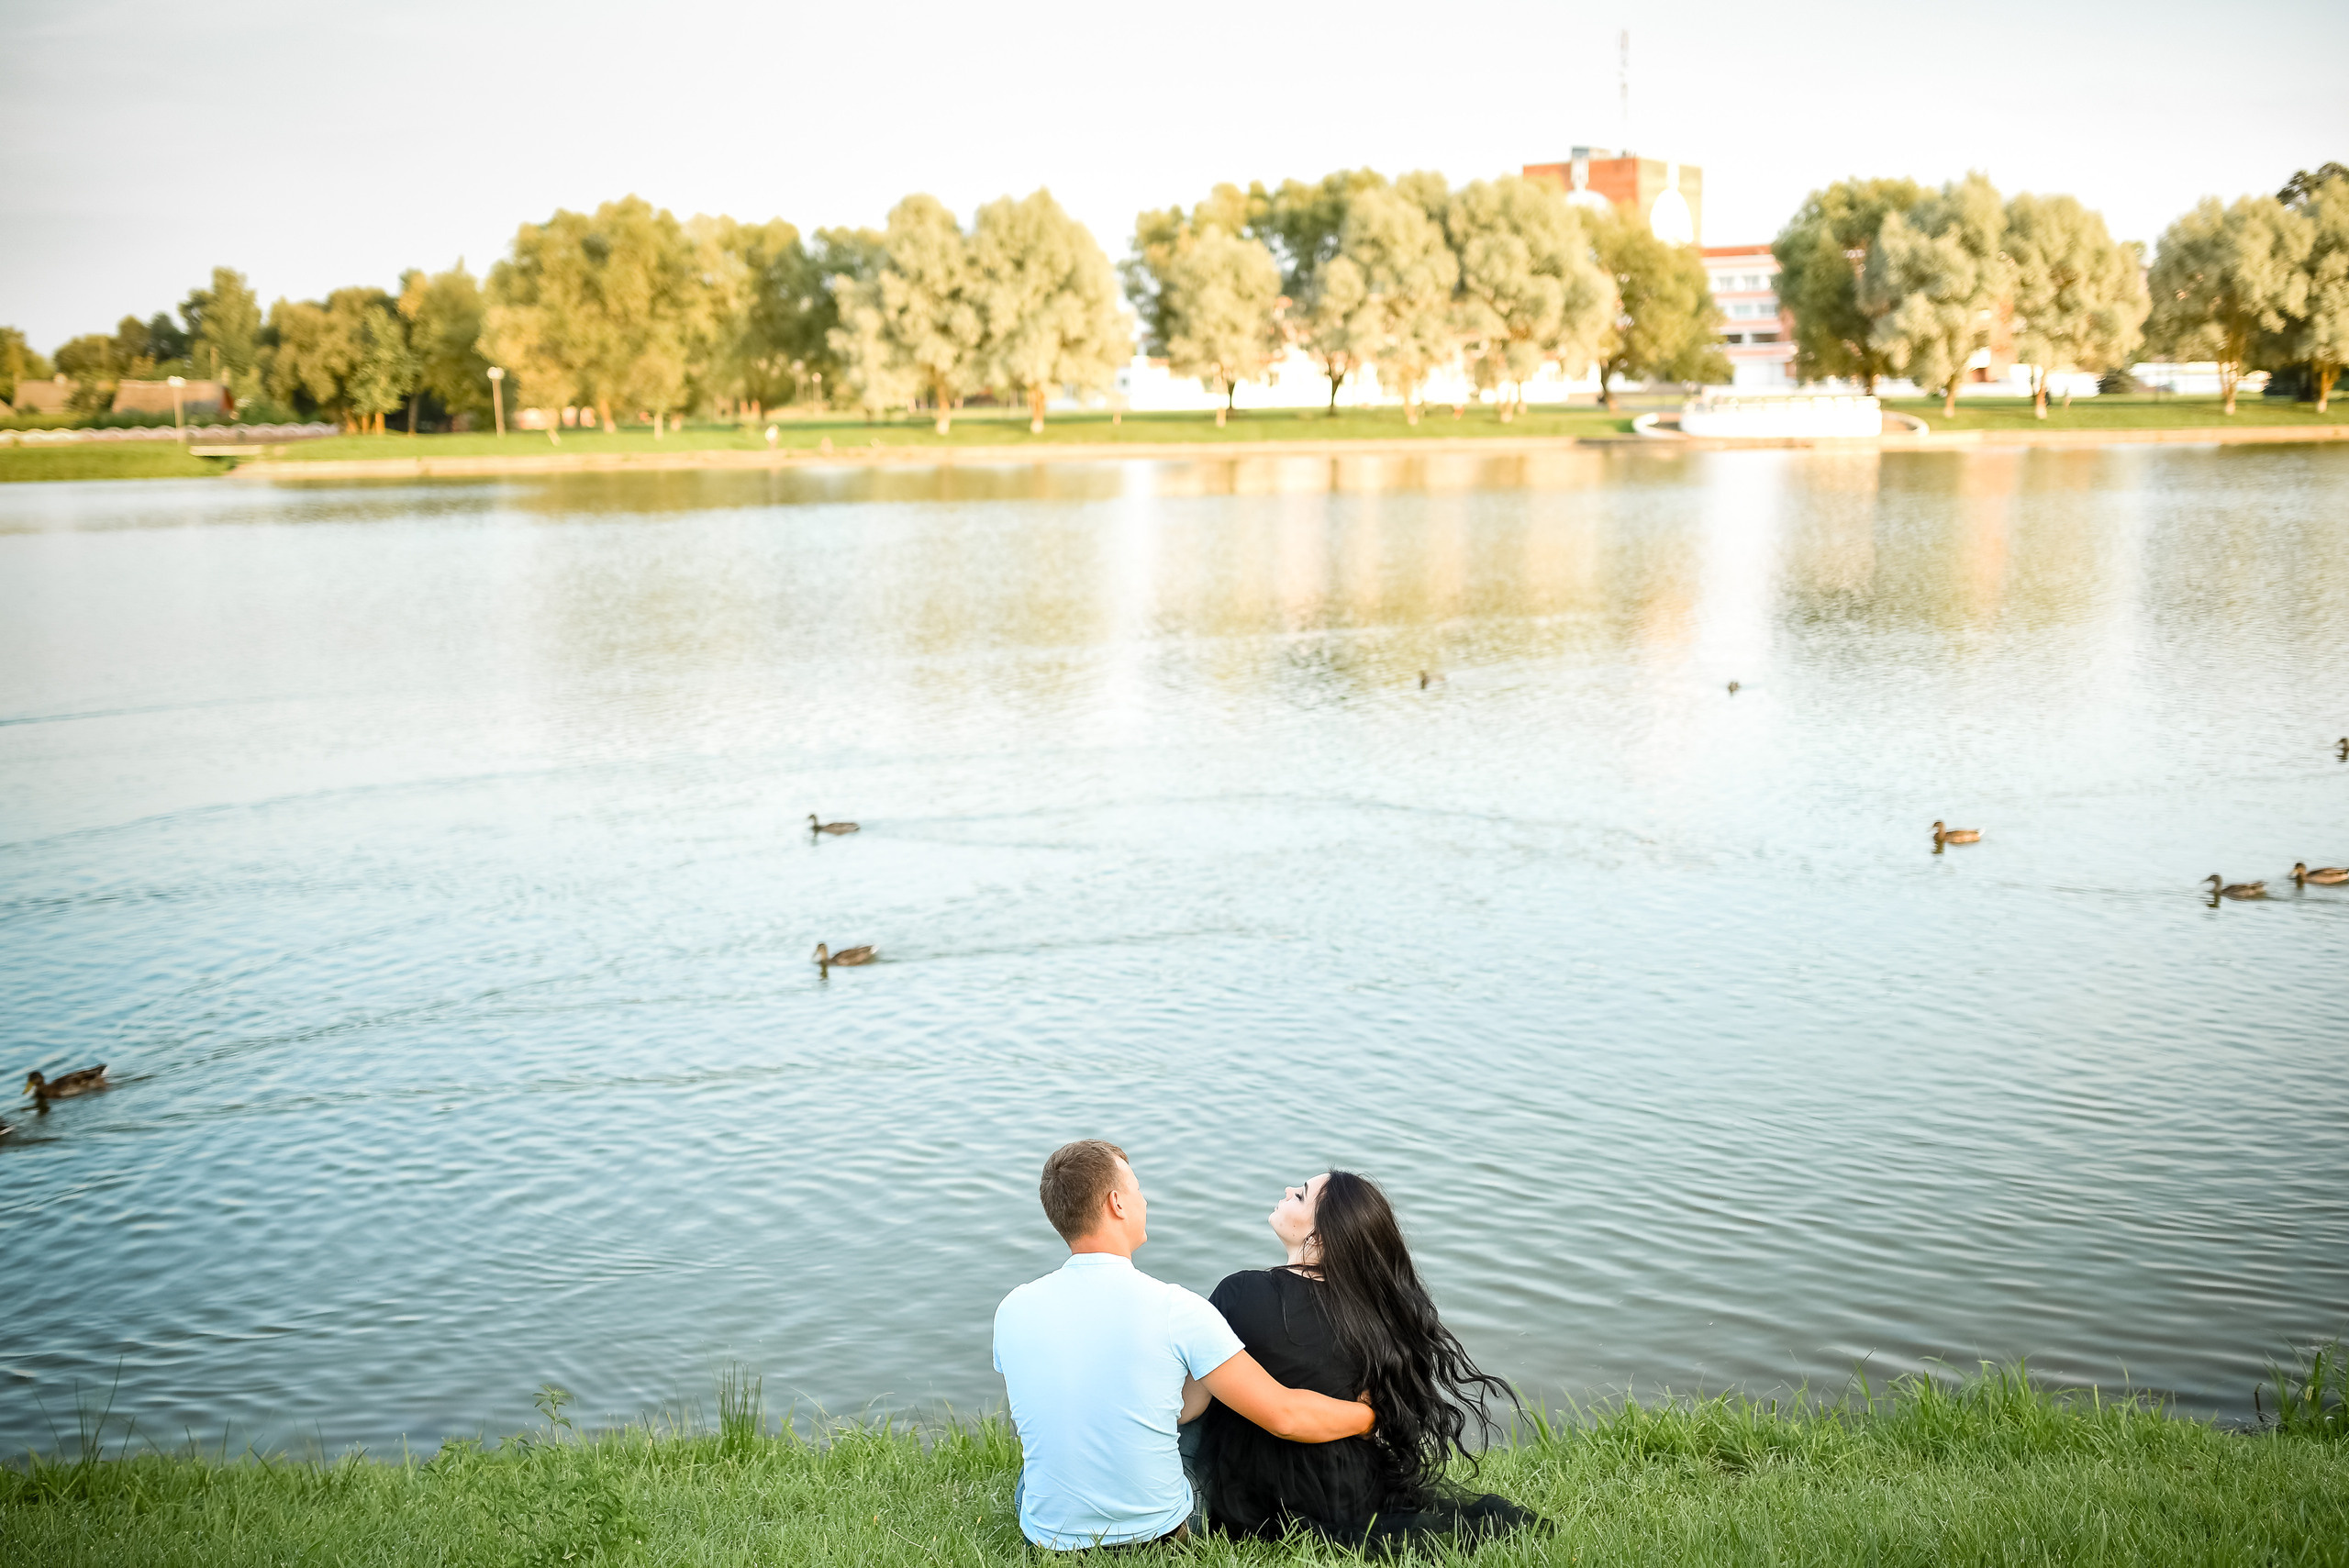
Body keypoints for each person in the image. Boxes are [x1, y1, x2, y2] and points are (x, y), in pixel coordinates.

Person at [993, 1140, 1376, 1551]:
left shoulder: (1013, 1308)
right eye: (1137, 1188)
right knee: (1214, 1418)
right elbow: (1283, 1415)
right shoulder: (1178, 1309)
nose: (1144, 1199)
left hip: (1045, 1530)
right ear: (1117, 1203)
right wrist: (1369, 1417)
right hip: (1156, 1532)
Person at [1192, 1171, 1542, 1552]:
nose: (1289, 1190)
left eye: (1301, 1195)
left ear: (1320, 1236)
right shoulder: (1373, 1312)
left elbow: (1192, 1405)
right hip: (1351, 1484)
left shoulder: (1240, 1291)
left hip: (1263, 1492)